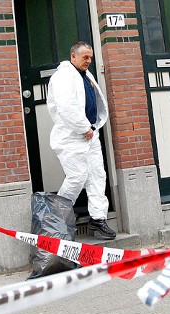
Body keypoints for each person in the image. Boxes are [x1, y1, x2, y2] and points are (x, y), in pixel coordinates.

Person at [46, 41, 116, 240]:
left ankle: (98, 219)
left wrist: (92, 128)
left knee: (97, 176)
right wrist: (83, 127)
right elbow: (66, 105)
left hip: (90, 134)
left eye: (91, 58)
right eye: (85, 57)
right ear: (73, 56)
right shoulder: (63, 76)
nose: (89, 61)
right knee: (77, 177)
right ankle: (57, 217)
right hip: (72, 136)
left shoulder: (85, 75)